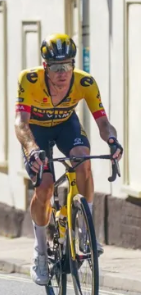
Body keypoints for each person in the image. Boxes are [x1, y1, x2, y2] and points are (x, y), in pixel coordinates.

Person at [15, 33, 122, 286]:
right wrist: (31, 148)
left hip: (66, 126)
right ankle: (40, 251)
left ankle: (86, 230)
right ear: (45, 68)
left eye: (67, 66)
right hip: (36, 132)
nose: (62, 73)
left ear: (73, 65)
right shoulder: (28, 80)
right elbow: (21, 123)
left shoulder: (85, 82)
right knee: (45, 186)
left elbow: (103, 122)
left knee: (84, 162)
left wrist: (112, 141)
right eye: (55, 67)